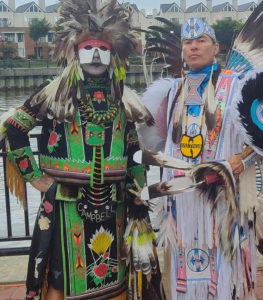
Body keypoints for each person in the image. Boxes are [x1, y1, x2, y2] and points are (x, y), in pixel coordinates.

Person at [138, 2, 263, 299]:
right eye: (188, 42)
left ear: (216, 47)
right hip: (181, 198)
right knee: (183, 263)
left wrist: (241, 159)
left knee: (226, 267)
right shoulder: (173, 91)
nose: (194, 47)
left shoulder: (238, 85)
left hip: (225, 196)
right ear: (183, 50)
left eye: (201, 41)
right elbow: (156, 139)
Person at [3, 0, 158, 299]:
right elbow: (14, 128)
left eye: (103, 48)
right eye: (89, 48)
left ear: (113, 54)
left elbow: (132, 146)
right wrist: (35, 177)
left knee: (117, 278)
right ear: (75, 53)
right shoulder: (54, 91)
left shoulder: (122, 96)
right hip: (66, 204)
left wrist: (140, 192)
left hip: (115, 204)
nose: (96, 54)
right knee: (61, 277)